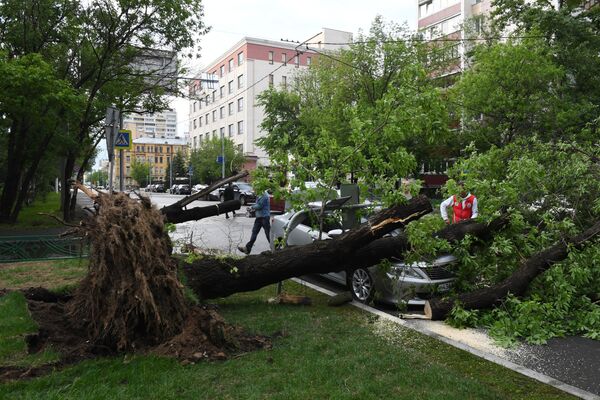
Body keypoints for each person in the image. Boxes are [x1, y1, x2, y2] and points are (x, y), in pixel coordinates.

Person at [238, 189, 271, 254]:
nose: (254, 190)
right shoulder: (260, 195)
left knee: (268, 234)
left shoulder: (265, 196)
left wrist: (251, 207)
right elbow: (257, 204)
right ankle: (247, 248)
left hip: (264, 217)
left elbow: (259, 206)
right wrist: (252, 208)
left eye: (256, 189)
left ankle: (275, 248)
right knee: (254, 232)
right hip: (259, 217)